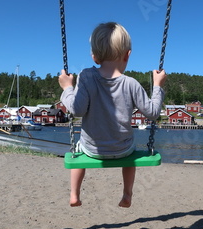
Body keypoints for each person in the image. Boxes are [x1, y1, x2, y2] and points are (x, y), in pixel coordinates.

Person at [59, 22, 167, 208]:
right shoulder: (132, 84)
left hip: (92, 150)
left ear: (94, 57)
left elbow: (76, 110)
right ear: (128, 55)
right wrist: (157, 86)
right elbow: (153, 113)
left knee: (76, 151)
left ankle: (74, 194)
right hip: (123, 150)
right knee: (131, 158)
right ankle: (127, 194)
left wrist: (67, 88)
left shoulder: (86, 76)